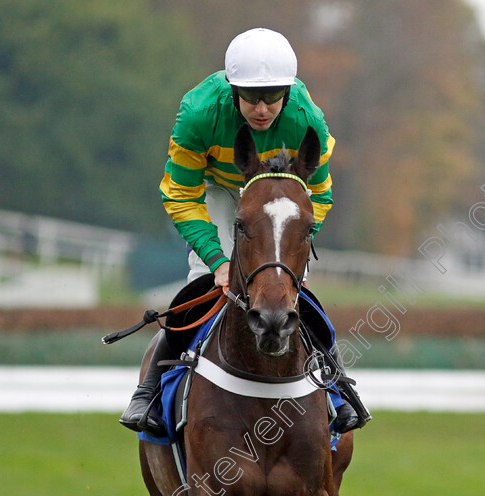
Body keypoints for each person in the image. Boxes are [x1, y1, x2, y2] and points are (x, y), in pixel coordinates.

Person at [120, 28, 366, 436]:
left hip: (281, 193)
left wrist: (289, 248)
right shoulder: (198, 112)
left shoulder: (309, 120)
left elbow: (319, 196)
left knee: (288, 289)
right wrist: (217, 261)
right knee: (204, 283)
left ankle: (338, 386)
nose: (262, 108)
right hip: (218, 189)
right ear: (233, 88)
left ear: (288, 91)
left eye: (273, 96)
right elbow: (181, 193)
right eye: (251, 96)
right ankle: (147, 391)